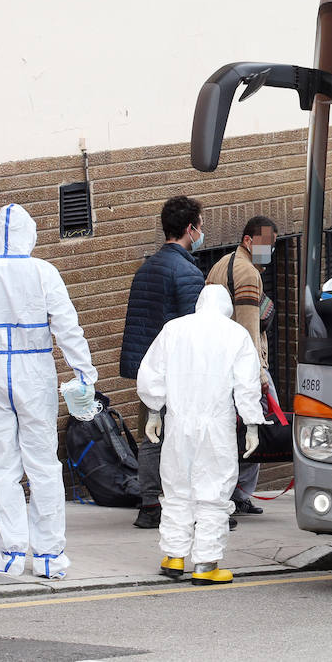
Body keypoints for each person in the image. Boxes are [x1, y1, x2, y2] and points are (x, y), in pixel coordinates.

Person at [0, 203, 97, 579]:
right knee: (42, 463)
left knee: (1, 465)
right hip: (34, 369)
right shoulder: (44, 272)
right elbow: (67, 327)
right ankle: (48, 555)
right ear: (30, 235)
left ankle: (10, 552)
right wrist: (83, 375)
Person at [137, 285, 265, 585]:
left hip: (178, 423)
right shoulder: (235, 335)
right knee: (213, 492)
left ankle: (174, 556)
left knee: (176, 490)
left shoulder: (174, 329)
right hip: (215, 426)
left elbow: (151, 372)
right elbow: (247, 384)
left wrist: (155, 412)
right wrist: (252, 425)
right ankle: (206, 564)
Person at [119, 195, 207, 530]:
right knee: (183, 438)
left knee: (150, 437)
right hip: (176, 372)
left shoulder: (146, 268)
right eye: (200, 226)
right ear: (190, 229)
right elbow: (192, 328)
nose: (202, 232)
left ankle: (148, 505)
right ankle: (183, 506)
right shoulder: (187, 272)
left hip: (148, 370)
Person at [205, 215, 277, 517]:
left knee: (229, 432)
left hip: (219, 363)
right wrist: (259, 373)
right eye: (266, 244)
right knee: (255, 428)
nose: (269, 251)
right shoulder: (248, 273)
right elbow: (248, 328)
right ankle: (242, 494)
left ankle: (231, 492)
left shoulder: (221, 263)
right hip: (245, 364)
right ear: (249, 240)